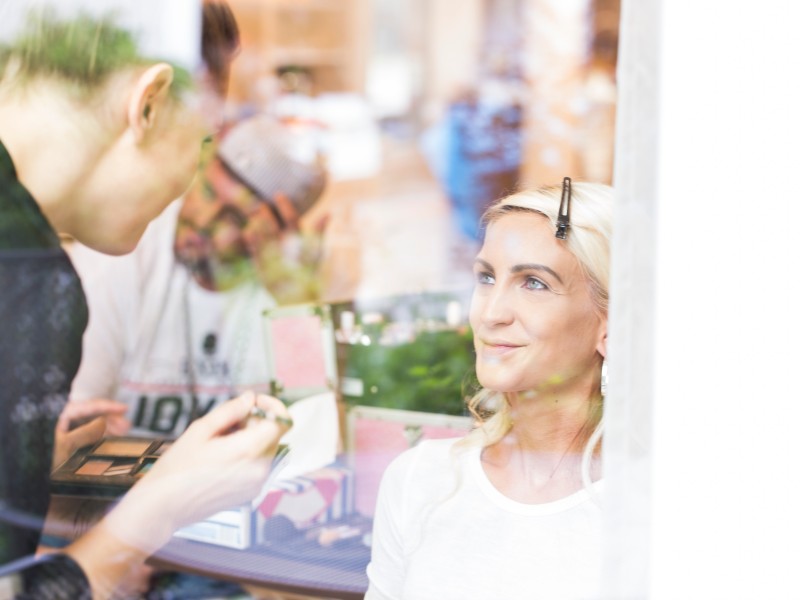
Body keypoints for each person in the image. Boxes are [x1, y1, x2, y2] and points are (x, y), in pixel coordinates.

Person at [0, 3, 293, 598]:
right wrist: (158, 508)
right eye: (203, 141)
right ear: (150, 101)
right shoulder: (30, 279)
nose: (192, 180)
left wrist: (27, 467)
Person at [365, 180, 612, 600]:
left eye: (534, 282)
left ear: (610, 326)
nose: (491, 313)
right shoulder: (419, 480)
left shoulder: (656, 507)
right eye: (486, 277)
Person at [67, 114, 327, 438]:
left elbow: (312, 438)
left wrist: (294, 302)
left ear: (275, 233)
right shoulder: (117, 255)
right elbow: (71, 427)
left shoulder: (286, 292)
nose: (203, 219)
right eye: (206, 190)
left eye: (232, 216)